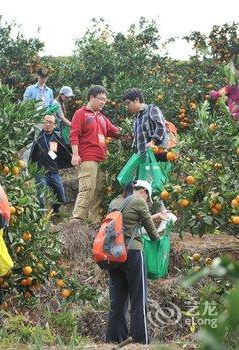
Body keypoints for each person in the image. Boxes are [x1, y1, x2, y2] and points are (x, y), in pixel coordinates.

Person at [106, 180, 167, 345]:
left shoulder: (115, 202)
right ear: (144, 192)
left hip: (114, 255)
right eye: (148, 198)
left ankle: (114, 338)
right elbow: (152, 232)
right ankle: (141, 340)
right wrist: (162, 235)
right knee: (139, 298)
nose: (147, 201)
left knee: (117, 301)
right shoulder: (139, 201)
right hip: (133, 254)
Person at [69, 85, 120, 224]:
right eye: (100, 99)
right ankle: (77, 220)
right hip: (88, 157)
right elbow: (74, 134)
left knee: (99, 191)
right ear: (91, 97)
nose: (103, 102)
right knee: (87, 188)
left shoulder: (102, 118)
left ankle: (95, 222)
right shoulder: (81, 113)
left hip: (102, 159)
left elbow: (115, 132)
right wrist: (75, 154)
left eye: (105, 99)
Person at [29, 114, 72, 214]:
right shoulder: (37, 136)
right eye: (45, 121)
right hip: (40, 172)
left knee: (61, 198)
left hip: (54, 172)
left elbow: (67, 147)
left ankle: (54, 211)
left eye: (50, 122)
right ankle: (41, 219)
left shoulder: (57, 138)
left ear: (54, 125)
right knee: (40, 197)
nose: (47, 124)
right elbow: (24, 143)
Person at [122, 88, 166, 155]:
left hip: (156, 156)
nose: (126, 107)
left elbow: (161, 126)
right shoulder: (136, 119)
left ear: (137, 100)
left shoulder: (151, 109)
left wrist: (153, 141)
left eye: (128, 103)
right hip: (144, 159)